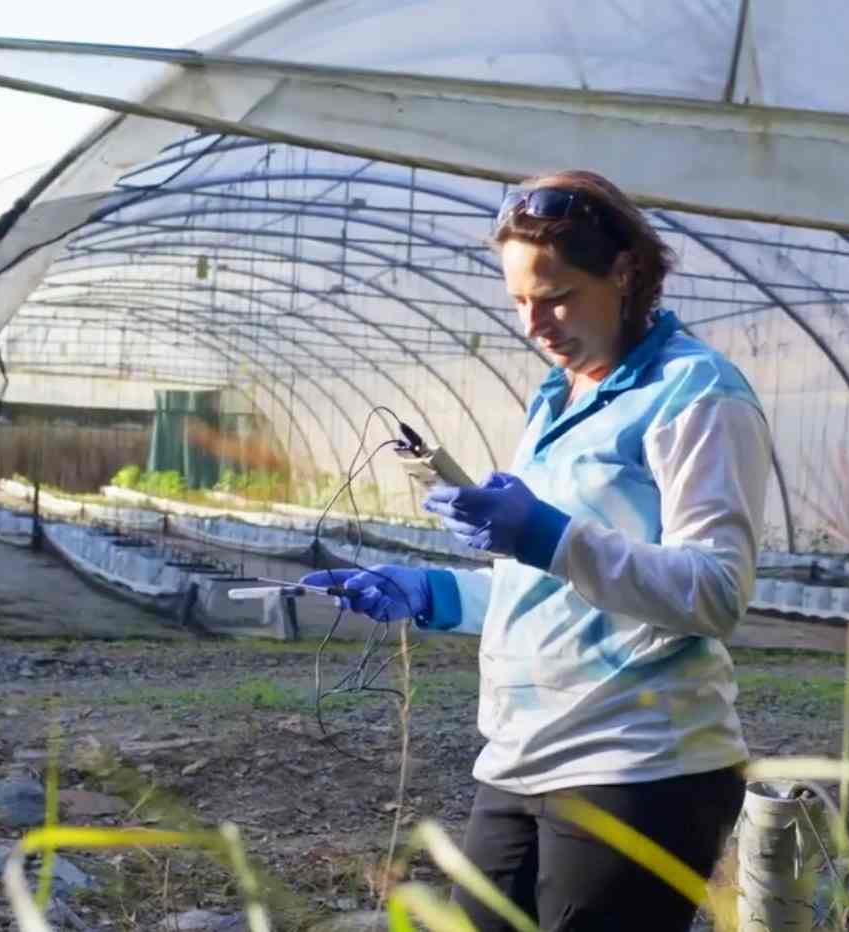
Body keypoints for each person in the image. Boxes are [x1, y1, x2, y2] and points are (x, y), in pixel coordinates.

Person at [303, 169, 773, 931]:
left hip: (639, 762)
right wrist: (432, 593)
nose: (534, 324)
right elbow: (555, 588)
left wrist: (545, 533)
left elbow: (715, 591)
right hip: (520, 757)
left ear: (624, 274)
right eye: (520, 301)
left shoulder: (695, 394)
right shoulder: (556, 399)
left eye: (556, 297)